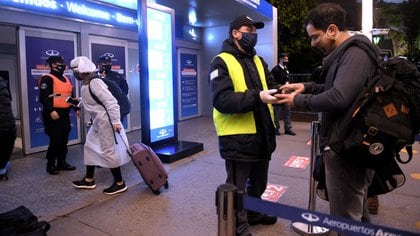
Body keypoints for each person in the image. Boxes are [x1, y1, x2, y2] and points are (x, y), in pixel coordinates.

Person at [276, 3, 378, 223]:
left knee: (346, 219)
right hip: (347, 144)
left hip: (346, 148)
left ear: (332, 30)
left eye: (315, 37)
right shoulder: (348, 54)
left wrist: (298, 100)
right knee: (356, 214)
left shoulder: (355, 54)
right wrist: (306, 87)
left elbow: (338, 97)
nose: (313, 43)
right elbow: (338, 89)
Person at [209, 15, 282, 236]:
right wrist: (258, 97)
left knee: (259, 183)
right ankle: (235, 222)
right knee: (237, 187)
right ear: (235, 33)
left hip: (262, 133)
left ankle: (252, 213)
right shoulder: (220, 61)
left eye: (255, 30)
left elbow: (270, 86)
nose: (253, 33)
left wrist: (281, 91)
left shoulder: (258, 60)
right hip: (237, 136)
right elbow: (222, 100)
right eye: (248, 29)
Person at [70, 56, 130, 195]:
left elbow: (111, 103)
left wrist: (115, 122)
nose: (75, 74)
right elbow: (93, 103)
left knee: (108, 150)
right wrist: (77, 103)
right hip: (98, 123)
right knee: (89, 147)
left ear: (81, 71)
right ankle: (89, 179)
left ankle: (119, 183)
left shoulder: (95, 83)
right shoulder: (87, 84)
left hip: (106, 123)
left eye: (75, 71)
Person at [39, 56, 78, 175]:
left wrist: (76, 108)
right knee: (56, 139)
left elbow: (68, 97)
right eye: (59, 63)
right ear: (52, 65)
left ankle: (62, 162)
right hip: (52, 113)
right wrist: (51, 110)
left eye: (62, 62)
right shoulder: (47, 78)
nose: (62, 65)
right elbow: (44, 97)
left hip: (64, 114)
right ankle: (50, 164)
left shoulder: (66, 79)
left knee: (64, 139)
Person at [97, 54, 129, 122]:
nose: (108, 64)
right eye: (105, 62)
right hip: (101, 108)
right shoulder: (95, 76)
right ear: (100, 64)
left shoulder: (117, 76)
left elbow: (125, 90)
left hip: (115, 108)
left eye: (109, 62)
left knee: (118, 129)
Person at [270, 53, 296, 136]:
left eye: (287, 59)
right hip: (278, 94)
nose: (287, 61)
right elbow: (272, 82)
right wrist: (279, 87)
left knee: (287, 111)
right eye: (285, 59)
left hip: (286, 93)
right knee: (277, 113)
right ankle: (275, 128)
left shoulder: (285, 69)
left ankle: (288, 128)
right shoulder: (275, 70)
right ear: (281, 59)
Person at [0, 75, 16, 181]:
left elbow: (8, 100)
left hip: (7, 121)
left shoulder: (2, 81)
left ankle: (2, 168)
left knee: (7, 144)